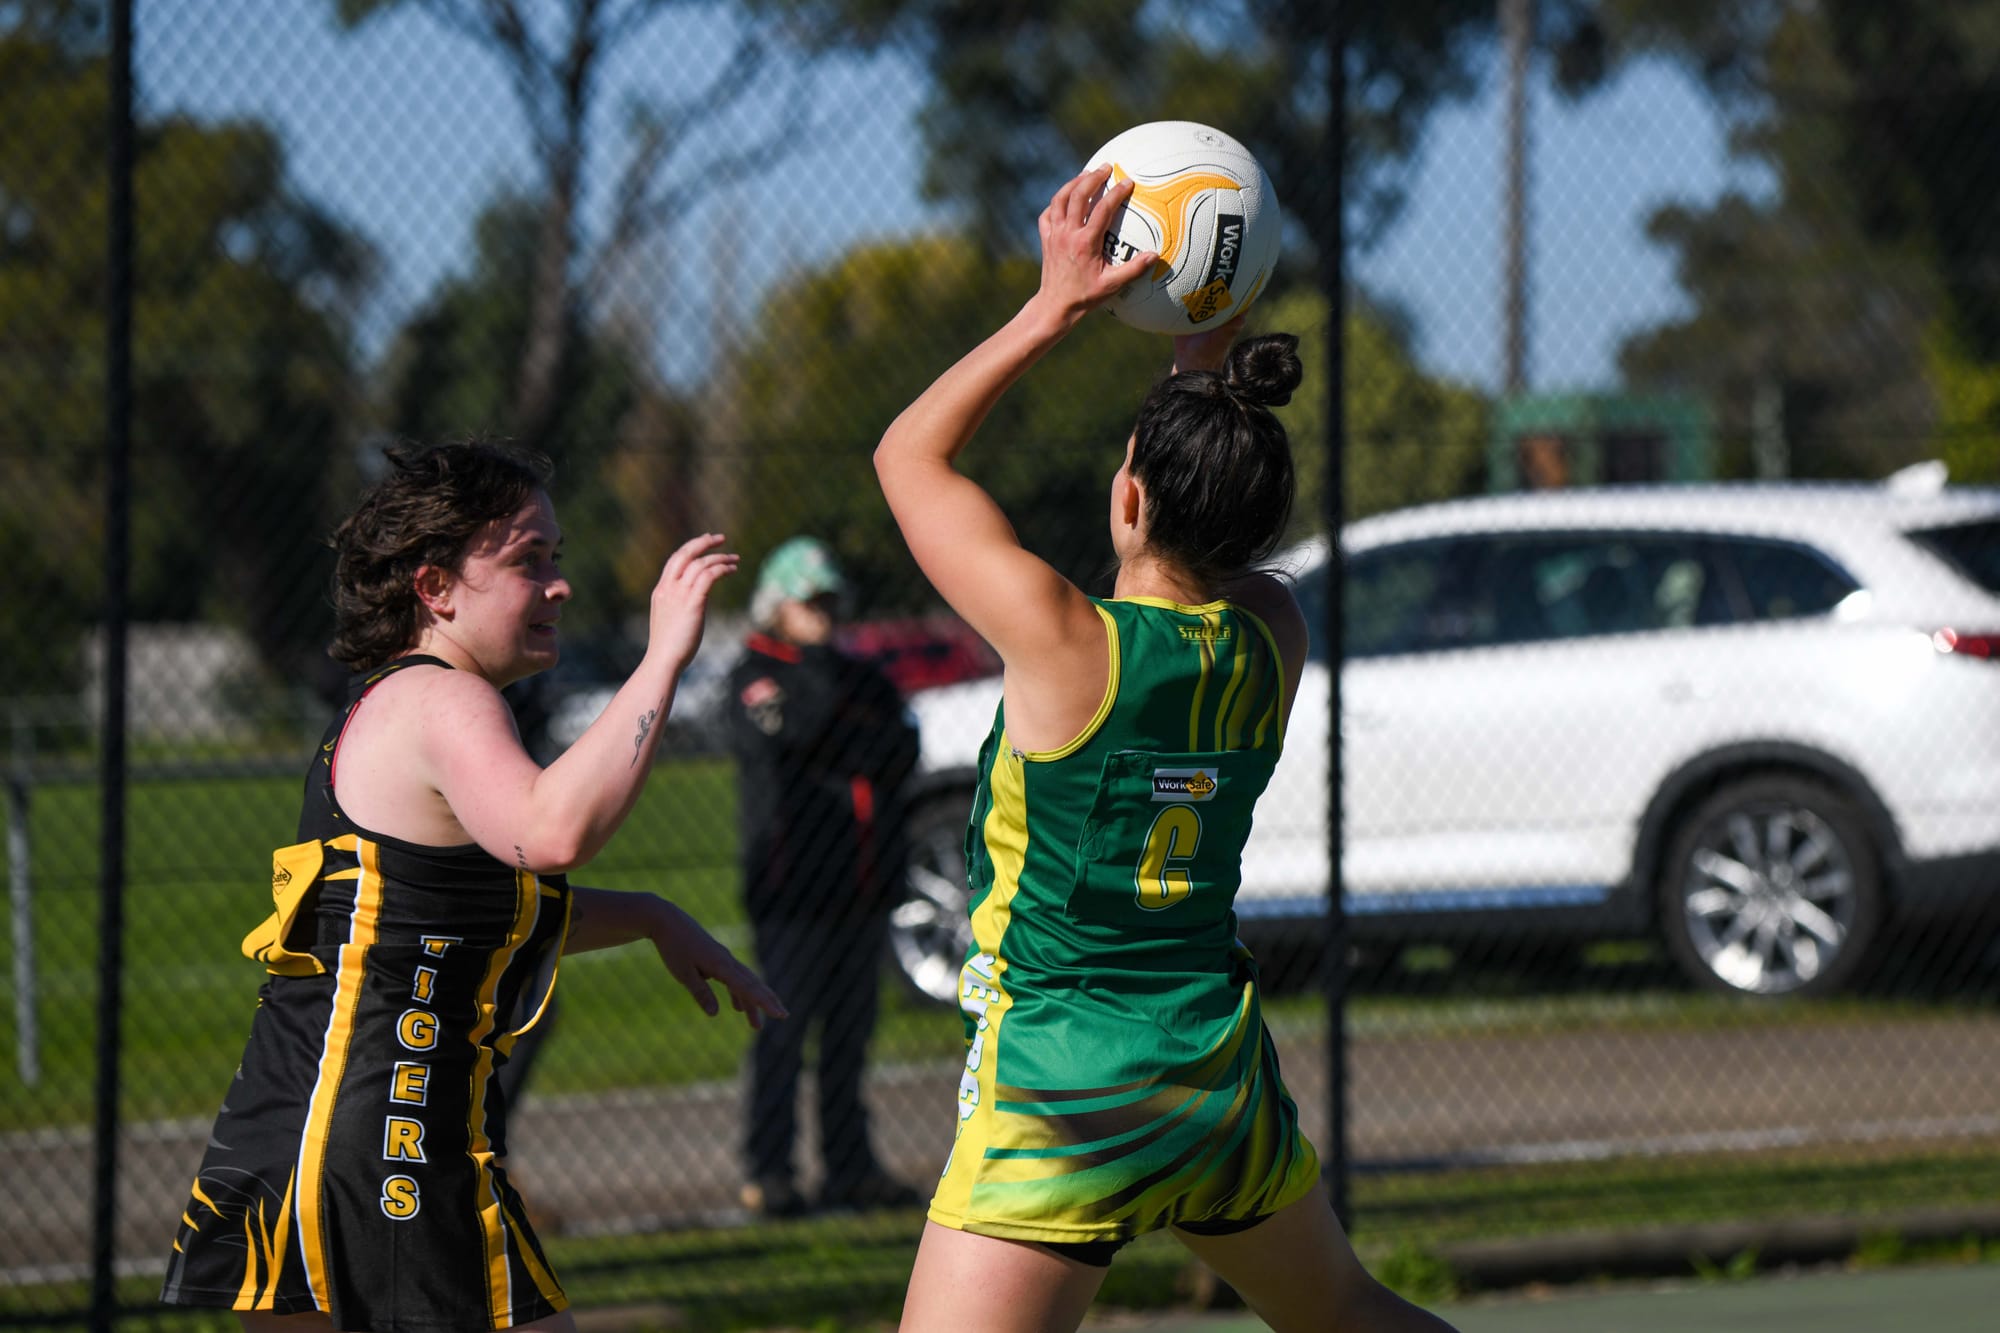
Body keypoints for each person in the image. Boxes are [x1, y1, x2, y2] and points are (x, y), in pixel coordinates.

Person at [873, 167, 1461, 1333]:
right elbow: (1214, 523)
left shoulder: (1060, 642)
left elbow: (907, 460)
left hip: (1065, 1086)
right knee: (1346, 1310)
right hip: (1208, 1074)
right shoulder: (1271, 637)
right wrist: (1203, 343)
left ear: (1125, 499)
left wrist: (1056, 308)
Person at [161, 440, 786, 1333]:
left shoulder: (405, 702)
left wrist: (652, 916)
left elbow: (449, 915)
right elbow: (553, 832)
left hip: (303, 1130)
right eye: (528, 560)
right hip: (387, 1142)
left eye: (555, 559)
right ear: (436, 587)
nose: (557, 585)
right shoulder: (443, 702)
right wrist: (665, 660)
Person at [727, 536, 924, 1218]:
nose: (825, 615)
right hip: (793, 892)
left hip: (862, 886)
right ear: (776, 606)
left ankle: (851, 1166)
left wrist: (844, 740)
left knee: (850, 1037)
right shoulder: (755, 671)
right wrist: (845, 733)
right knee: (782, 1034)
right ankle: (768, 1169)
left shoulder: (858, 676)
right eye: (810, 602)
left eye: (831, 601)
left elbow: (901, 747)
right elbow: (794, 731)